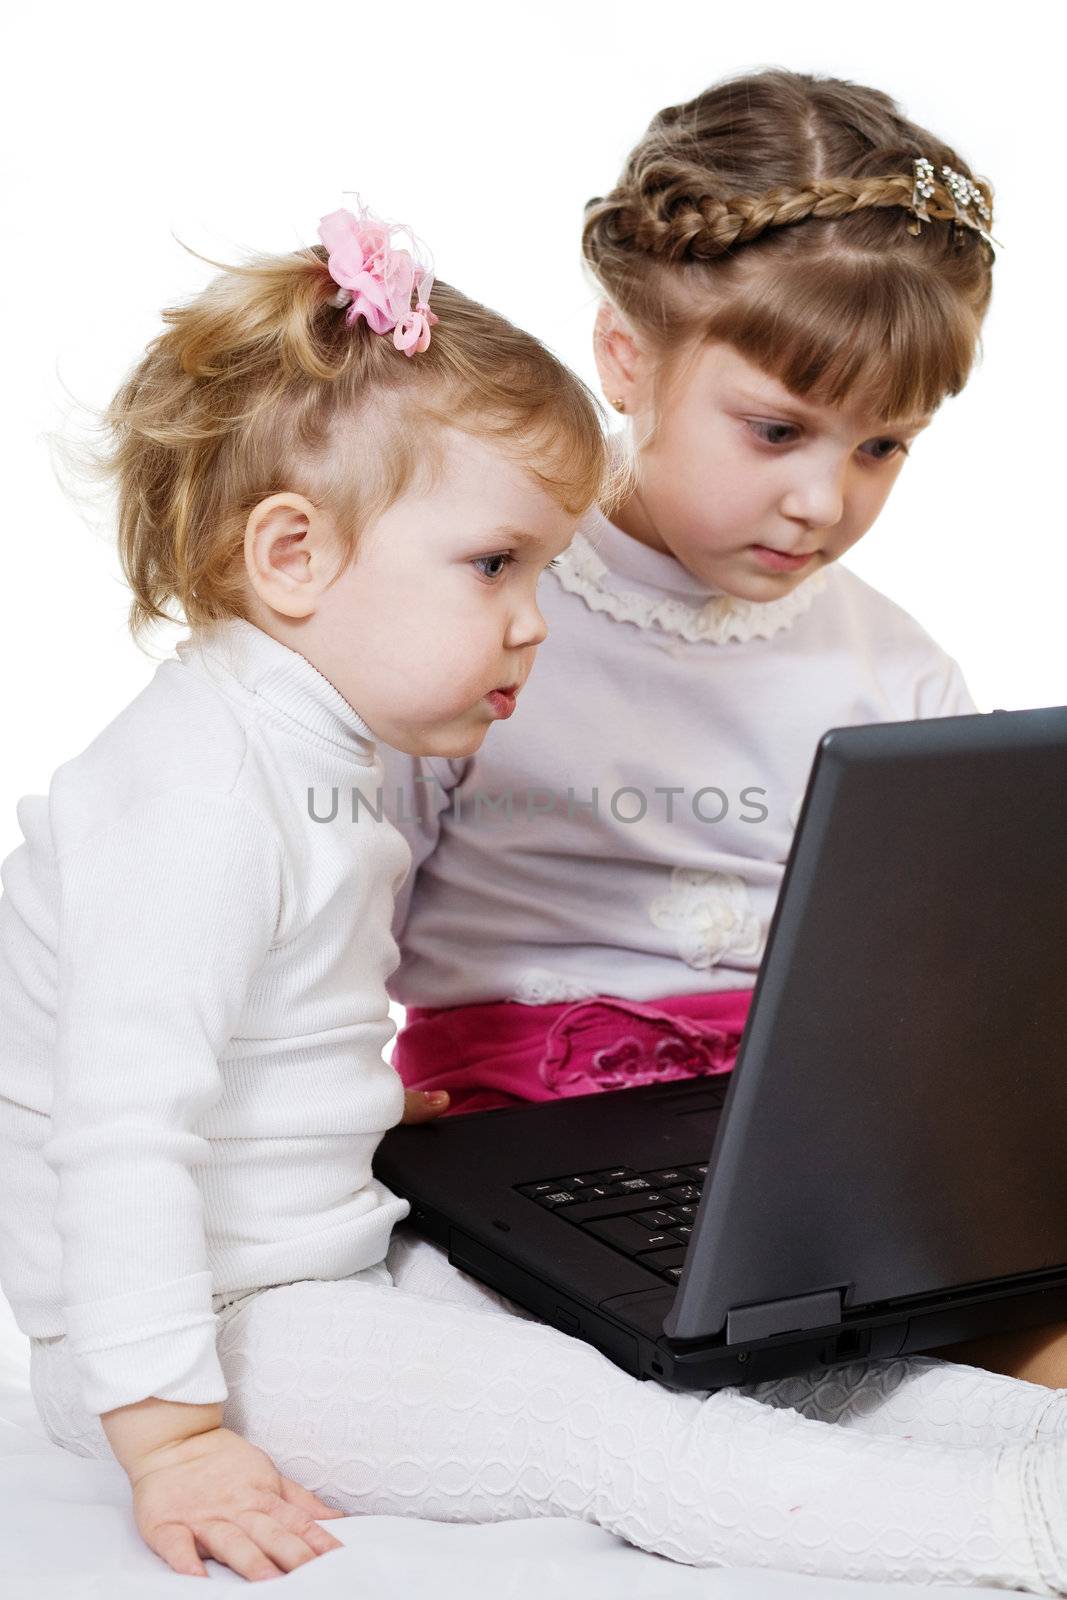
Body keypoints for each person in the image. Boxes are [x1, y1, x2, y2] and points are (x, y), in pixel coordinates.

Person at [5, 189, 1067, 1598]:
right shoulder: (195, 793)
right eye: (498, 565)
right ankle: (1019, 1531)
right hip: (191, 1335)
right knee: (606, 1432)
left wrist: (358, 1110)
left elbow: (257, 1045)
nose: (533, 620)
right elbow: (117, 1137)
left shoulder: (312, 751)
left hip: (332, 1260)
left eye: (546, 569)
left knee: (697, 1356)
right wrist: (174, 1435)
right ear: (291, 553)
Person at [379, 66, 1067, 1431]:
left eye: (883, 445)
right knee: (616, 1376)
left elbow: (936, 996)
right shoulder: (495, 606)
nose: (824, 498)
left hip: (802, 1158)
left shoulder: (896, 666)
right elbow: (330, 922)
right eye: (776, 430)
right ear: (627, 357)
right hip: (507, 1136)